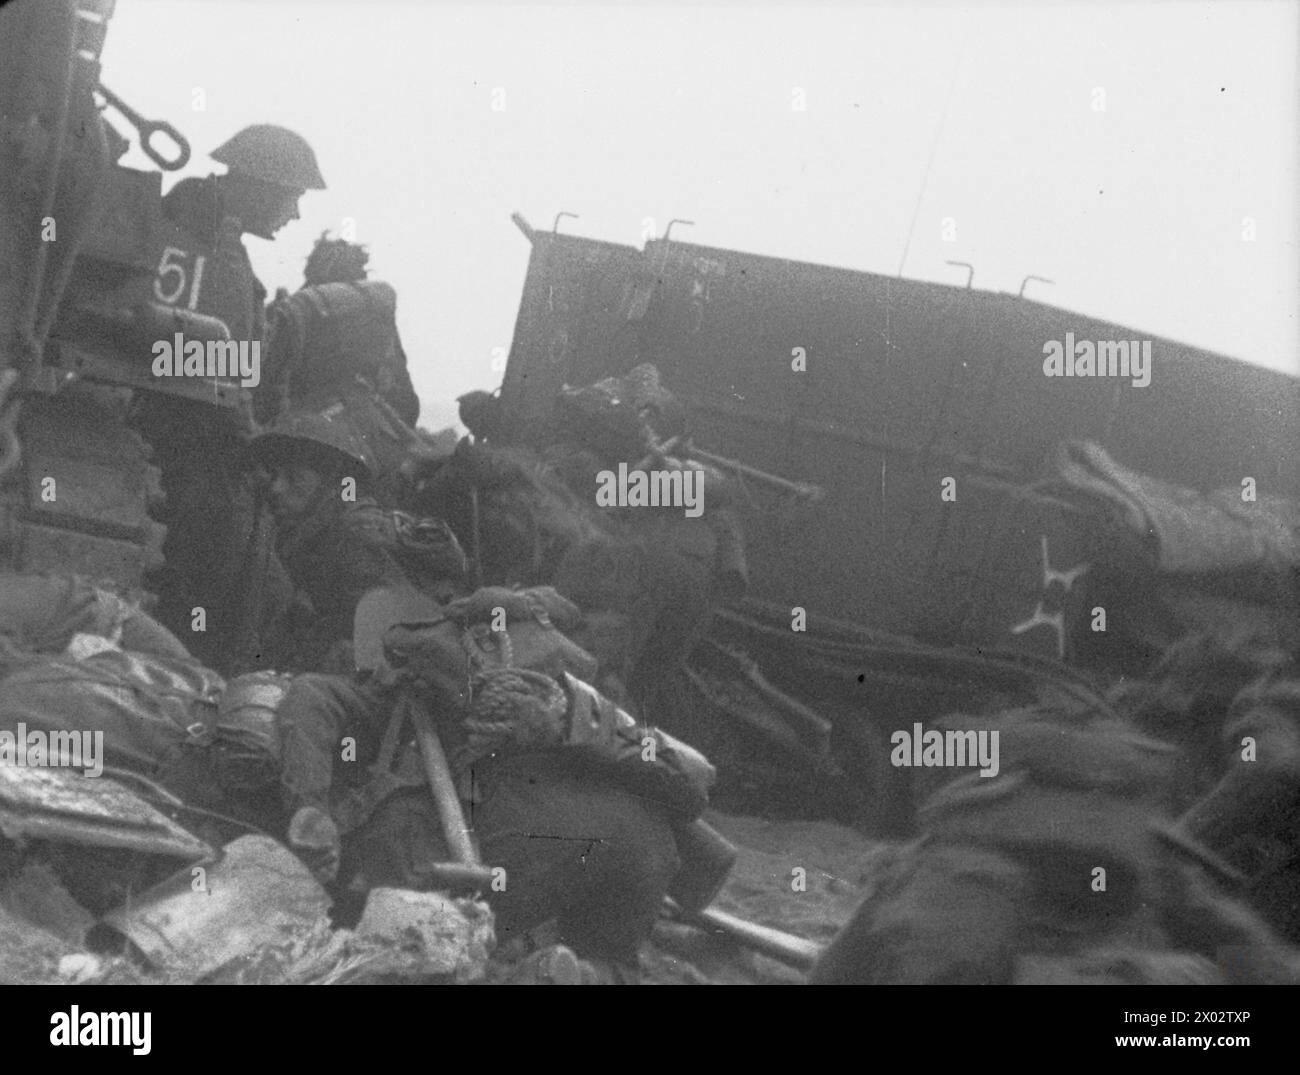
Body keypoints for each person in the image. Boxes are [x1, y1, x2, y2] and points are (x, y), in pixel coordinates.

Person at [133, 125, 327, 673]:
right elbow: (163, 353)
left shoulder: (214, 236)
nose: (293, 215)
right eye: (292, 197)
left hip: (204, 444)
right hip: (184, 450)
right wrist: (249, 438)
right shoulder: (192, 235)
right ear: (262, 186)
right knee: (215, 580)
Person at [247, 406, 466, 673]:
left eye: (294, 478)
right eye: (275, 476)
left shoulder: (352, 540)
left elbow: (387, 646)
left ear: (331, 484)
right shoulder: (319, 533)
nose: (276, 489)